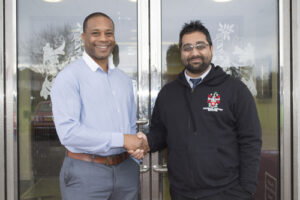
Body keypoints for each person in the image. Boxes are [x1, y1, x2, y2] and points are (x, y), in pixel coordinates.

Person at [132, 20, 262, 200]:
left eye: (200, 46)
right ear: (181, 53)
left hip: (228, 192)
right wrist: (145, 141)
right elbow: (160, 133)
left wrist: (246, 190)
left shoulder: (235, 90)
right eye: (187, 48)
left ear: (211, 48)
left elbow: (251, 140)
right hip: (182, 193)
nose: (194, 52)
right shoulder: (168, 93)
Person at [51, 12, 144, 200]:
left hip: (126, 171)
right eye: (96, 33)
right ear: (84, 37)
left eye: (108, 33)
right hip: (85, 172)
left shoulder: (123, 80)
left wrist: (136, 150)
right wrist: (122, 140)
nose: (103, 38)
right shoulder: (69, 77)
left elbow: (130, 128)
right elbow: (68, 133)